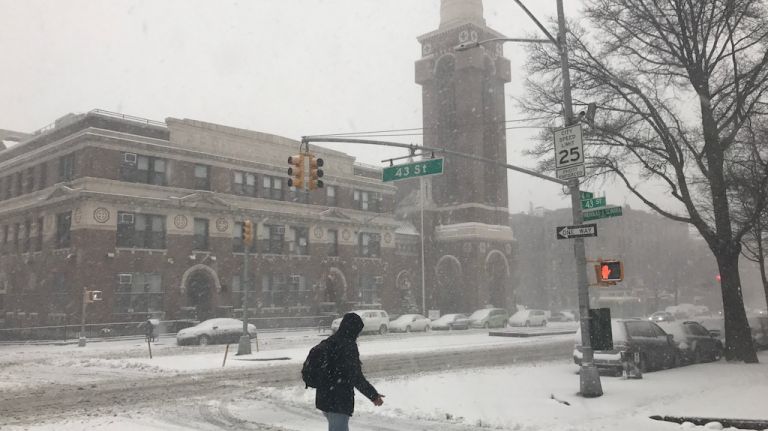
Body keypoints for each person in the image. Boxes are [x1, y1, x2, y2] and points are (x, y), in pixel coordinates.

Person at [316, 312, 384, 431]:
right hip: (338, 400)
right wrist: (373, 395)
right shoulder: (348, 346)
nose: (358, 335)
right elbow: (356, 376)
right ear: (354, 329)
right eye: (358, 331)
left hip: (324, 397)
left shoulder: (330, 341)